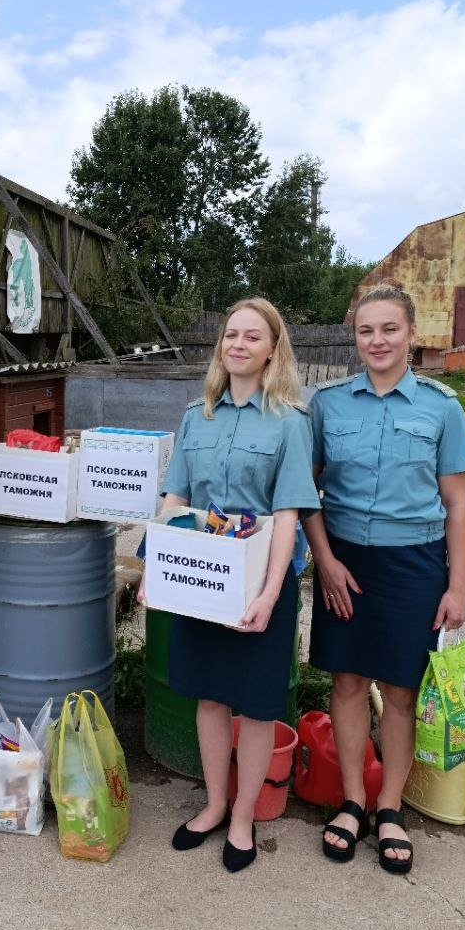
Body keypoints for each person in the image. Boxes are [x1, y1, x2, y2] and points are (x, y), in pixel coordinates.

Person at [142, 297, 320, 874]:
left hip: (259, 581)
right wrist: (157, 572)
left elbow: (290, 514)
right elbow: (175, 500)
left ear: (273, 349)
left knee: (259, 704)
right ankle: (215, 803)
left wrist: (270, 594)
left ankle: (245, 814)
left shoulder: (291, 422)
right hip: (202, 581)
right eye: (230, 336)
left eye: (252, 337)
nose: (238, 345)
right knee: (210, 697)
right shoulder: (199, 415)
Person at [303, 282, 465, 875]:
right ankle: (352, 801)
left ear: (412, 334)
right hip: (344, 562)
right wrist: (323, 559)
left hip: (414, 566)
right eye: (366, 330)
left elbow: (456, 506)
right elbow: (307, 493)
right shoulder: (327, 405)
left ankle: (390, 808)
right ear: (355, 337)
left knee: (401, 692)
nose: (377, 341)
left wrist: (457, 588)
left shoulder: (441, 408)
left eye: (389, 329)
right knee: (349, 684)